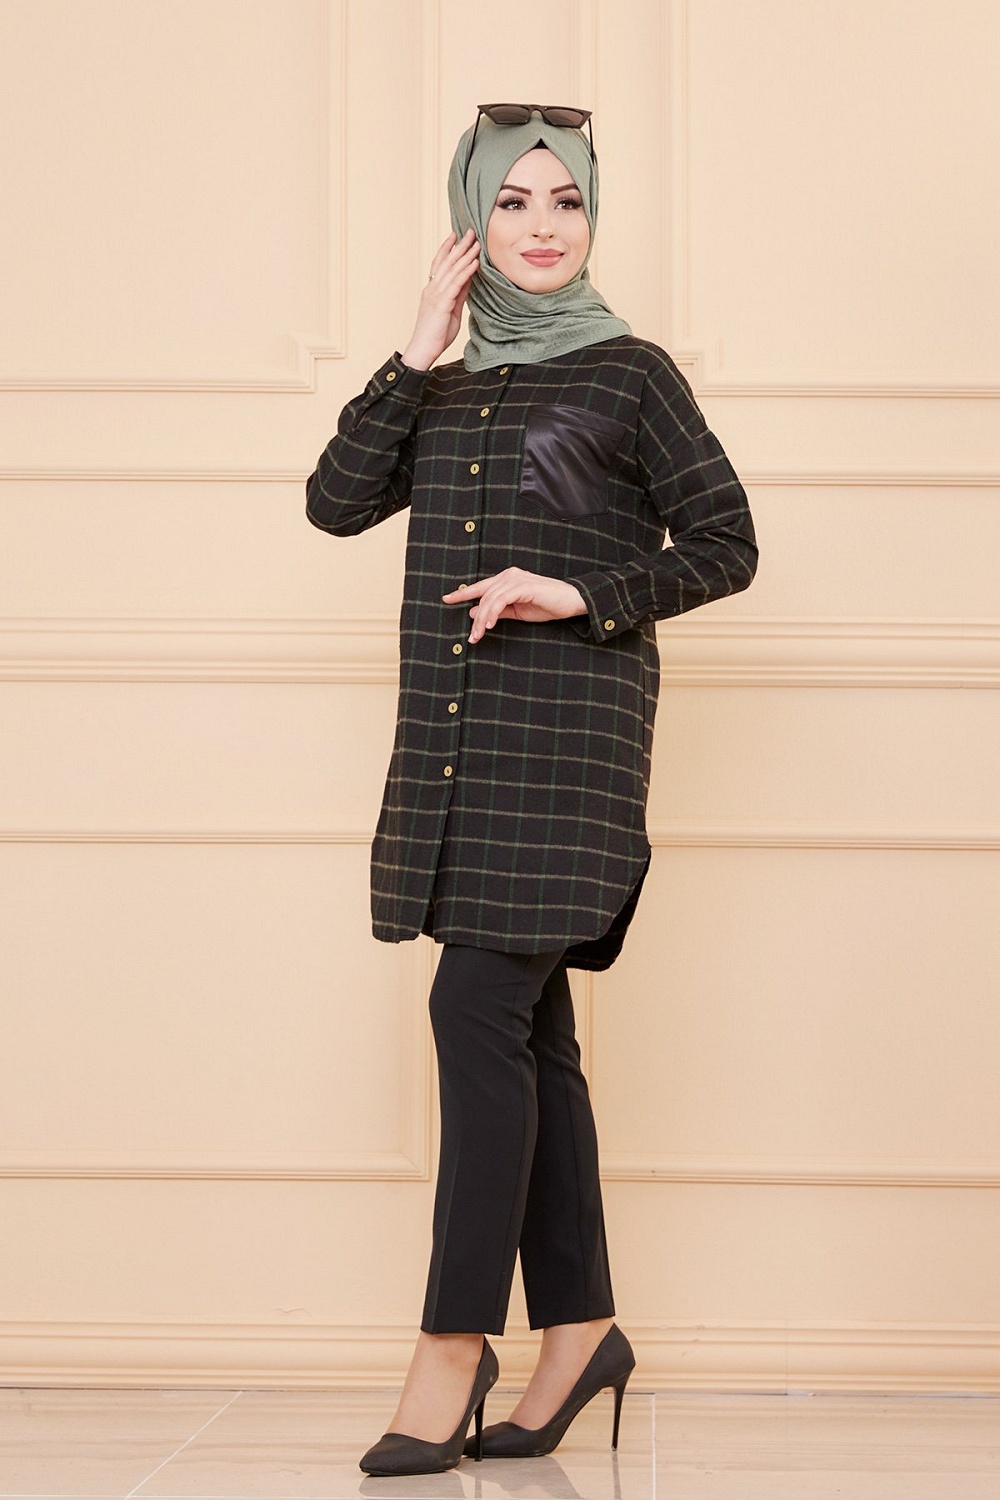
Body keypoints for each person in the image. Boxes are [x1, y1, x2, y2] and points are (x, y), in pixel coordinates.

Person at [305, 103, 758, 1478]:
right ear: (472, 219)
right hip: (457, 751)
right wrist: (414, 346)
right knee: (536, 1040)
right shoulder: (442, 388)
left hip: (571, 744)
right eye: (512, 202)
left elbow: (727, 543)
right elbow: (336, 501)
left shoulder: (632, 373)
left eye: (566, 200)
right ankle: (582, 1329)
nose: (543, 227)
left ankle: (454, 1345)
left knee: (474, 1008)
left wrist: (580, 591)